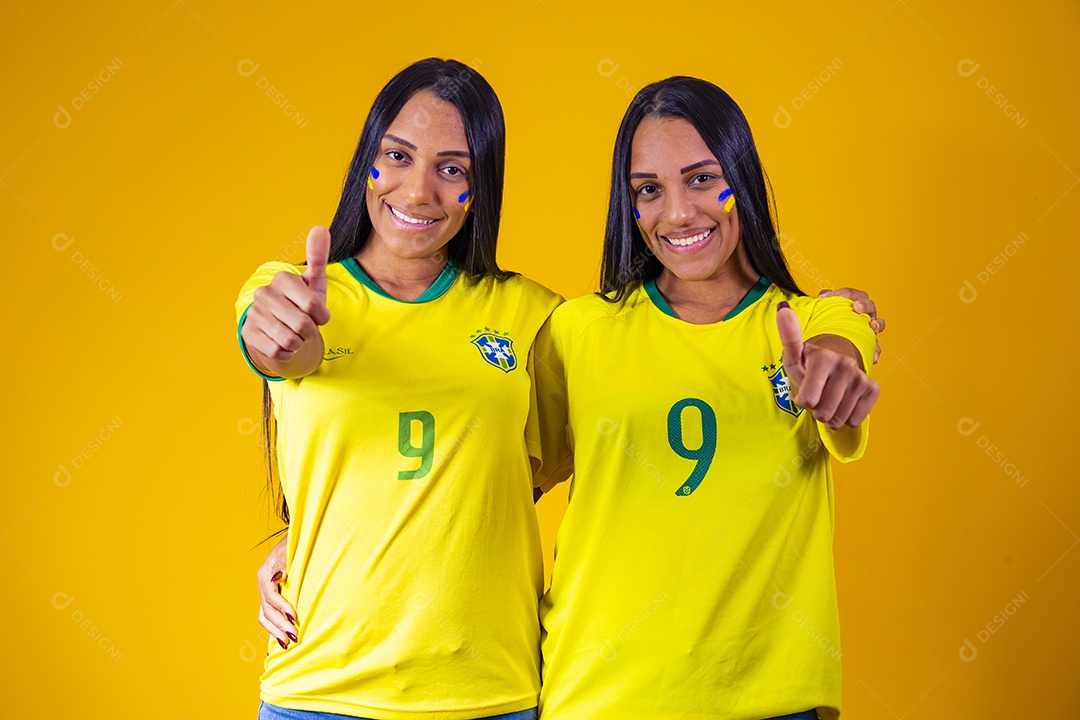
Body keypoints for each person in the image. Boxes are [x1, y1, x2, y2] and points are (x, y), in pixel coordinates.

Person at [532, 76, 881, 720]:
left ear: (741, 179)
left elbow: (841, 347)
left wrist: (835, 368)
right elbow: (485, 482)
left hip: (770, 701)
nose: (678, 213)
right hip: (596, 698)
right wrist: (290, 541)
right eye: (648, 190)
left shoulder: (813, 325)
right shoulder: (578, 331)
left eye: (701, 179)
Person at [234, 57, 563, 720]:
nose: (417, 192)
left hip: (488, 694)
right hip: (319, 694)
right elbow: (278, 347)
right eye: (397, 156)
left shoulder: (533, 317)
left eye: (451, 169)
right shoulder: (292, 290)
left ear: (481, 187)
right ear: (367, 163)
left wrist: (829, 323)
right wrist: (281, 335)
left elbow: (542, 462)